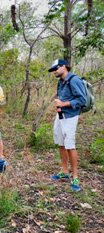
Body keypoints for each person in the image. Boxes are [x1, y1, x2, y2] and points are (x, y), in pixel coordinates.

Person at [49, 59, 86, 192]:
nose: (54, 71)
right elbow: (61, 98)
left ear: (64, 67)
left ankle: (75, 176)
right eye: (53, 70)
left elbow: (82, 100)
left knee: (70, 145)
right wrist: (59, 106)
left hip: (70, 117)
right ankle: (64, 171)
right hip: (60, 116)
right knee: (61, 142)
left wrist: (63, 104)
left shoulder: (74, 80)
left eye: (56, 68)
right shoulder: (60, 82)